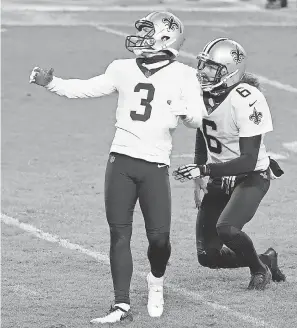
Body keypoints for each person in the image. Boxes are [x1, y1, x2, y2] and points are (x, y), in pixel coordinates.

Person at [29, 11, 205, 323]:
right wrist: (52, 83)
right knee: (119, 234)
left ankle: (156, 281)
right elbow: (87, 88)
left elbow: (199, 119)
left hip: (155, 165)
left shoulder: (184, 74)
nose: (140, 36)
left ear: (167, 37)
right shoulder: (121, 68)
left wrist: (186, 113)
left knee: (160, 240)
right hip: (121, 160)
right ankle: (121, 304)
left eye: (149, 31)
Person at [172, 38, 286, 291]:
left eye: (212, 67)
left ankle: (259, 271)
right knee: (207, 256)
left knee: (227, 228)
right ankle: (266, 259)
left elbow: (248, 159)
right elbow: (202, 132)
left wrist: (204, 170)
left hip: (252, 175)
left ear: (230, 71)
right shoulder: (202, 93)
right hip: (219, 175)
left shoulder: (246, 97)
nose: (203, 71)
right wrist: (199, 174)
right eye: (203, 65)